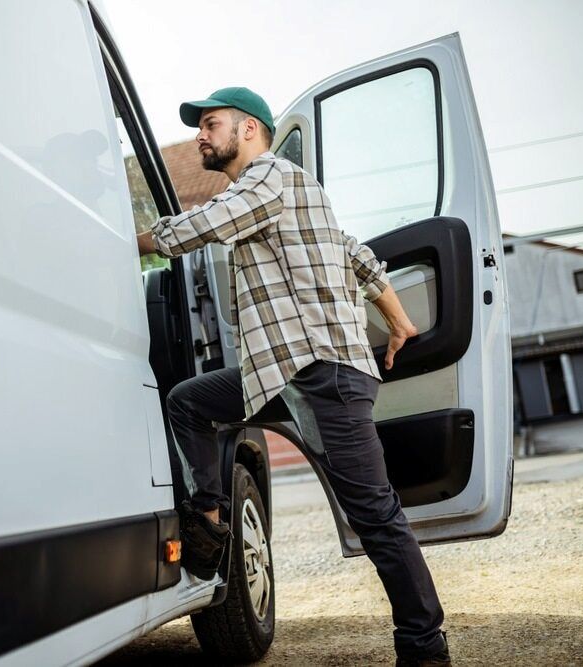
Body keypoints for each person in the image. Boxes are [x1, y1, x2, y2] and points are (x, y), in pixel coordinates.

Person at [136, 87, 452, 667]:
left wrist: (129, 243)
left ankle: (425, 648)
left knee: (377, 517)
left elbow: (210, 223)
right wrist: (398, 316)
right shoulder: (296, 192)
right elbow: (355, 253)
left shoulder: (269, 177)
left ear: (250, 129)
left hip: (322, 373)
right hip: (283, 373)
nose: (201, 137)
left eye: (210, 125)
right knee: (190, 402)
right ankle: (210, 517)